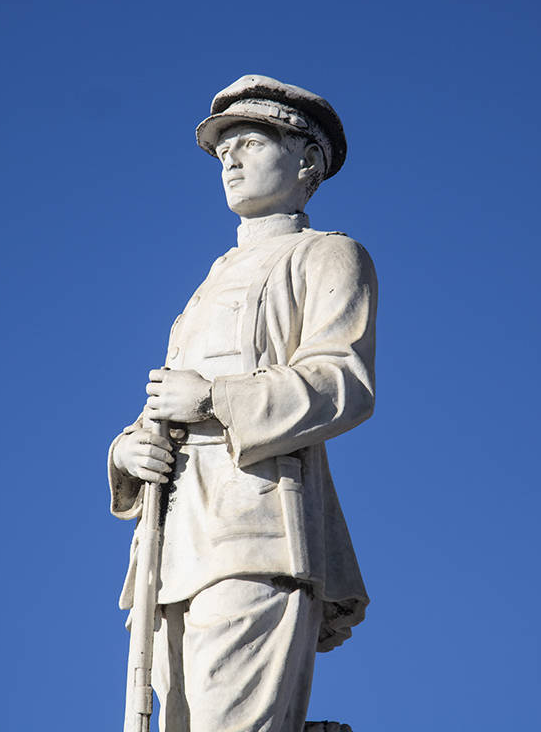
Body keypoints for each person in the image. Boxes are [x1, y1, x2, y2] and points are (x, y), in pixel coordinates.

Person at [107, 75, 377, 732]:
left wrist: (214, 398)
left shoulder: (328, 256)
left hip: (256, 529)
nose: (228, 158)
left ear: (306, 159)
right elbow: (168, 407)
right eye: (223, 147)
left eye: (250, 142)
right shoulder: (207, 285)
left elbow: (343, 383)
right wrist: (127, 451)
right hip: (172, 546)